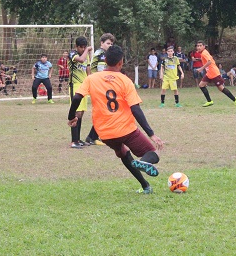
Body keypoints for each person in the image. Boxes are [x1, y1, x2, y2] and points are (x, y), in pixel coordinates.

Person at [68, 45, 164, 194]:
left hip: (104, 133)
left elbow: (76, 97)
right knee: (152, 153)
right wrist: (151, 133)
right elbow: (135, 109)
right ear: (121, 62)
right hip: (126, 130)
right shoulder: (125, 81)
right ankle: (144, 163)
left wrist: (71, 117)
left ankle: (146, 186)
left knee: (123, 153)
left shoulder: (91, 79)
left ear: (105, 60)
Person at [85, 33, 116, 146]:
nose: (110, 45)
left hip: (103, 85)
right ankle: (92, 137)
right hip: (99, 86)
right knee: (103, 111)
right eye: (108, 43)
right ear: (102, 43)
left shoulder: (105, 54)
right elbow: (99, 71)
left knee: (105, 111)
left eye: (111, 43)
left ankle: (95, 136)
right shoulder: (100, 54)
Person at [196, 41, 236, 108]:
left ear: (204, 46)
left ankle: (235, 99)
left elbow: (209, 62)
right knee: (201, 85)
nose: (198, 47)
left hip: (213, 73)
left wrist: (201, 68)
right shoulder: (203, 53)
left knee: (221, 88)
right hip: (209, 73)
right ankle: (209, 101)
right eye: (197, 46)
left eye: (200, 46)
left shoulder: (204, 53)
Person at [68, 36, 93, 148]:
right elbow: (81, 60)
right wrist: (87, 50)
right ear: (76, 46)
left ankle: (78, 139)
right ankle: (73, 141)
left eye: (84, 47)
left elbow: (87, 68)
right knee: (75, 112)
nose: (83, 49)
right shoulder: (72, 54)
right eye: (81, 47)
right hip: (75, 86)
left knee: (81, 112)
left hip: (84, 86)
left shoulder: (85, 55)